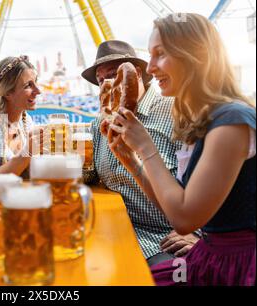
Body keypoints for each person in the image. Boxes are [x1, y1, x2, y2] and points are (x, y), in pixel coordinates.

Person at [103, 13, 255, 286]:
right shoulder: (200, 119)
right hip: (212, 254)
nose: (149, 68)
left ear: (196, 55)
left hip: (239, 265)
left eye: (160, 55)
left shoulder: (232, 121)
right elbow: (173, 204)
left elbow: (184, 219)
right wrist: (132, 161)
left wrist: (146, 147)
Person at [82, 40, 199, 266]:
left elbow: (211, 183)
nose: (106, 84)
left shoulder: (179, 113)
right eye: (100, 80)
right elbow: (91, 175)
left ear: (135, 73)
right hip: (114, 230)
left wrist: (200, 234)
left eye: (113, 75)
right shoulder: (100, 125)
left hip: (165, 239)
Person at [0, 55, 42, 176]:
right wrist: (27, 154)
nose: (38, 91)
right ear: (8, 93)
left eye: (36, 82)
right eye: (28, 85)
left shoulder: (26, 121)